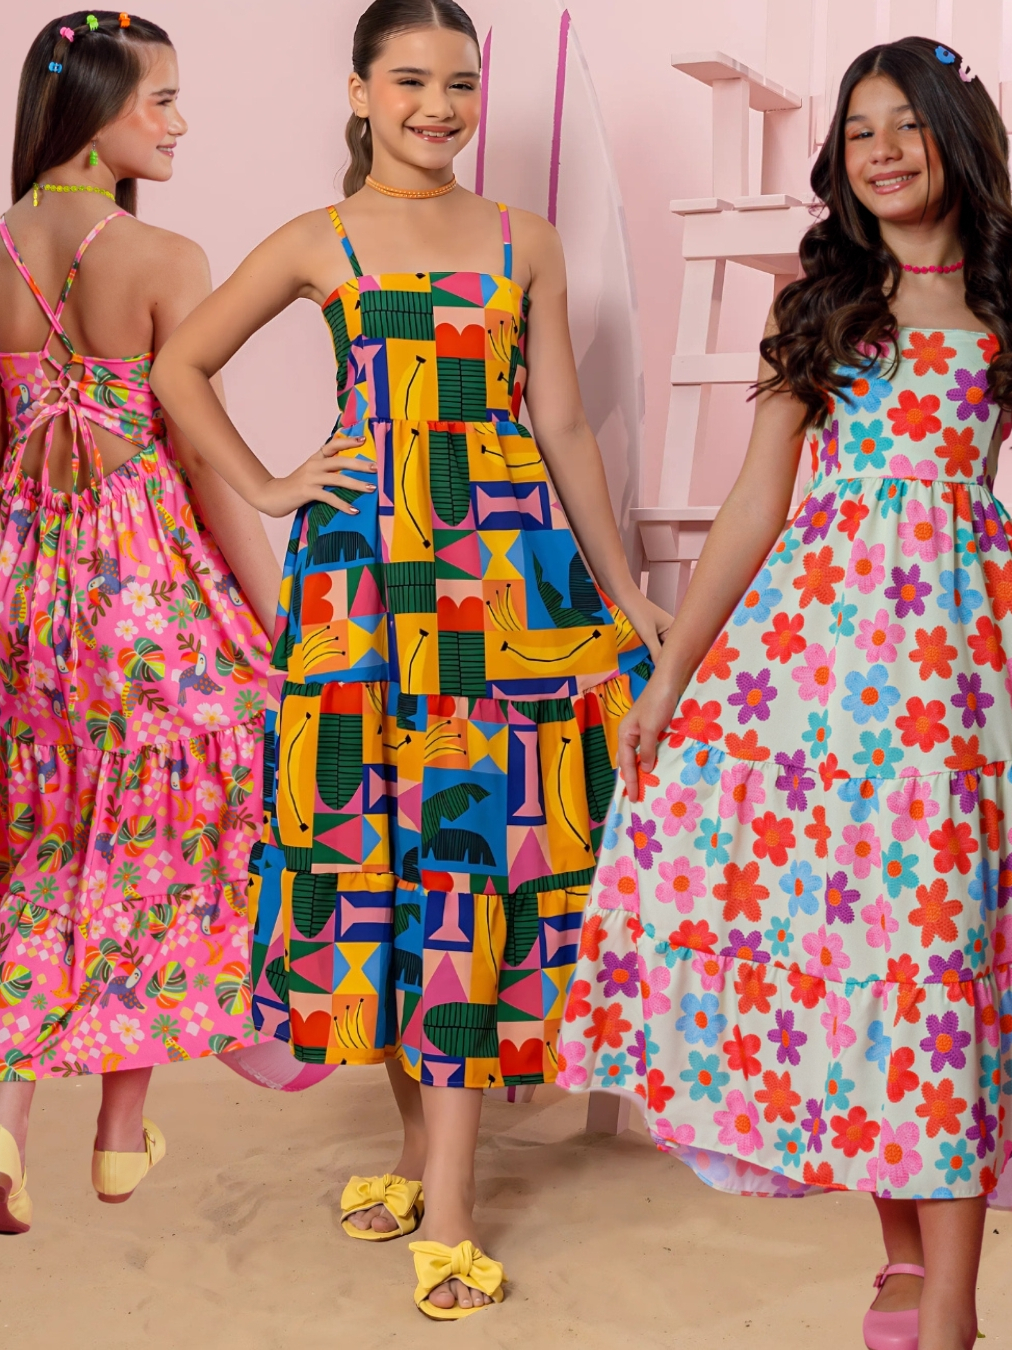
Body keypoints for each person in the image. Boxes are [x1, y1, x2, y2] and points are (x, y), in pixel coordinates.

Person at [149, 0, 663, 1318]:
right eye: (412, 81)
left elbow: (562, 425)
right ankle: (418, 1153)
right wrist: (272, 484)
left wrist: (622, 590)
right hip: (364, 593)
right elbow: (180, 366)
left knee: (473, 864)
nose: (440, 106)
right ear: (362, 92)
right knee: (368, 858)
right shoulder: (316, 239)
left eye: (460, 83)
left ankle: (450, 1201)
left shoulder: (524, 239)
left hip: (505, 584)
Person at [562, 36, 1011, 1350]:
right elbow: (758, 500)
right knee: (856, 943)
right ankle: (901, 1258)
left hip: (944, 677)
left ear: (955, 137)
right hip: (806, 672)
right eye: (858, 130)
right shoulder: (819, 306)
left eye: (904, 125)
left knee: (937, 951)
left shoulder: (1003, 302)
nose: (881, 151)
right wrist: (673, 673)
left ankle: (954, 1304)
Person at [0, 11, 277, 1233]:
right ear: (93, 109)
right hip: (140, 585)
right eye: (159, 99)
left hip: (24, 593)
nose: (178, 123)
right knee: (163, 839)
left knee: (42, 843)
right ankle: (118, 1134)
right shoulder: (165, 257)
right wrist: (273, 617)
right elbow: (206, 462)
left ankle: (6, 1127)